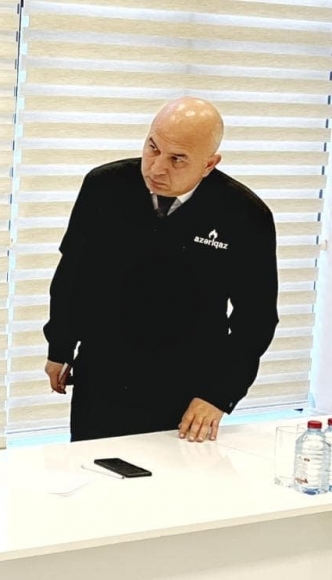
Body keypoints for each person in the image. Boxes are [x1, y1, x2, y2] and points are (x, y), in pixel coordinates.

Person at [43, 97, 279, 443]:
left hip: (188, 387)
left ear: (209, 164)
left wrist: (219, 394)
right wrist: (60, 346)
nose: (156, 169)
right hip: (103, 373)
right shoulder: (104, 187)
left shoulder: (245, 214)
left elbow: (256, 319)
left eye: (177, 159)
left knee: (175, 475)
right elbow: (73, 275)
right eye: (152, 148)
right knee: (93, 471)